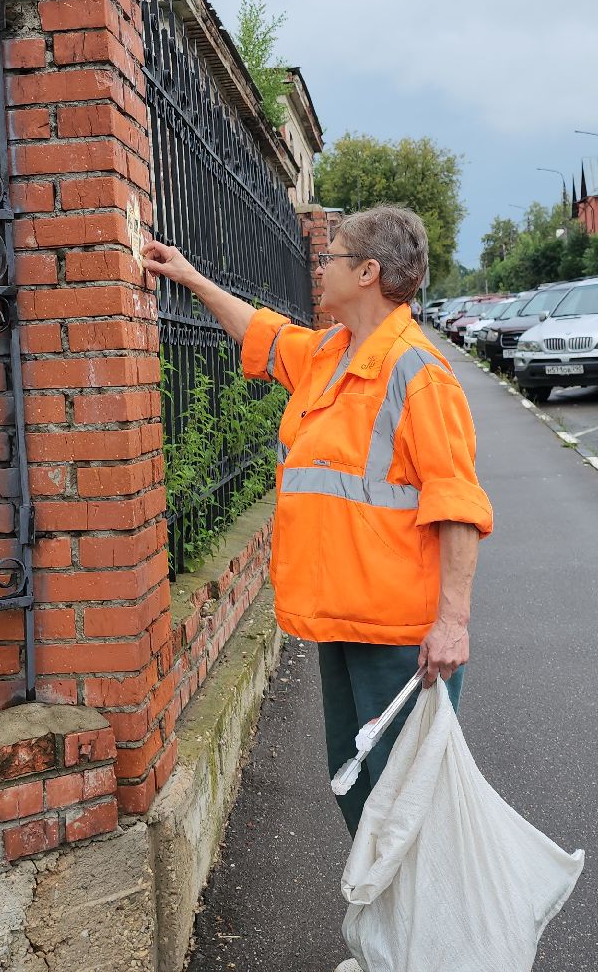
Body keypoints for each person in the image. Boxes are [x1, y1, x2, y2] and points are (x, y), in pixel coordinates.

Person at [141, 205, 493, 843]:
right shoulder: (335, 352)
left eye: (329, 256)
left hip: (402, 641)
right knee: (360, 792)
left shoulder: (418, 374)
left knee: (407, 811)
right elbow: (266, 335)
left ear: (367, 272)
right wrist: (191, 278)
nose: (318, 267)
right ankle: (387, 943)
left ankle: (429, 945)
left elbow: (458, 504)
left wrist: (453, 622)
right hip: (345, 621)